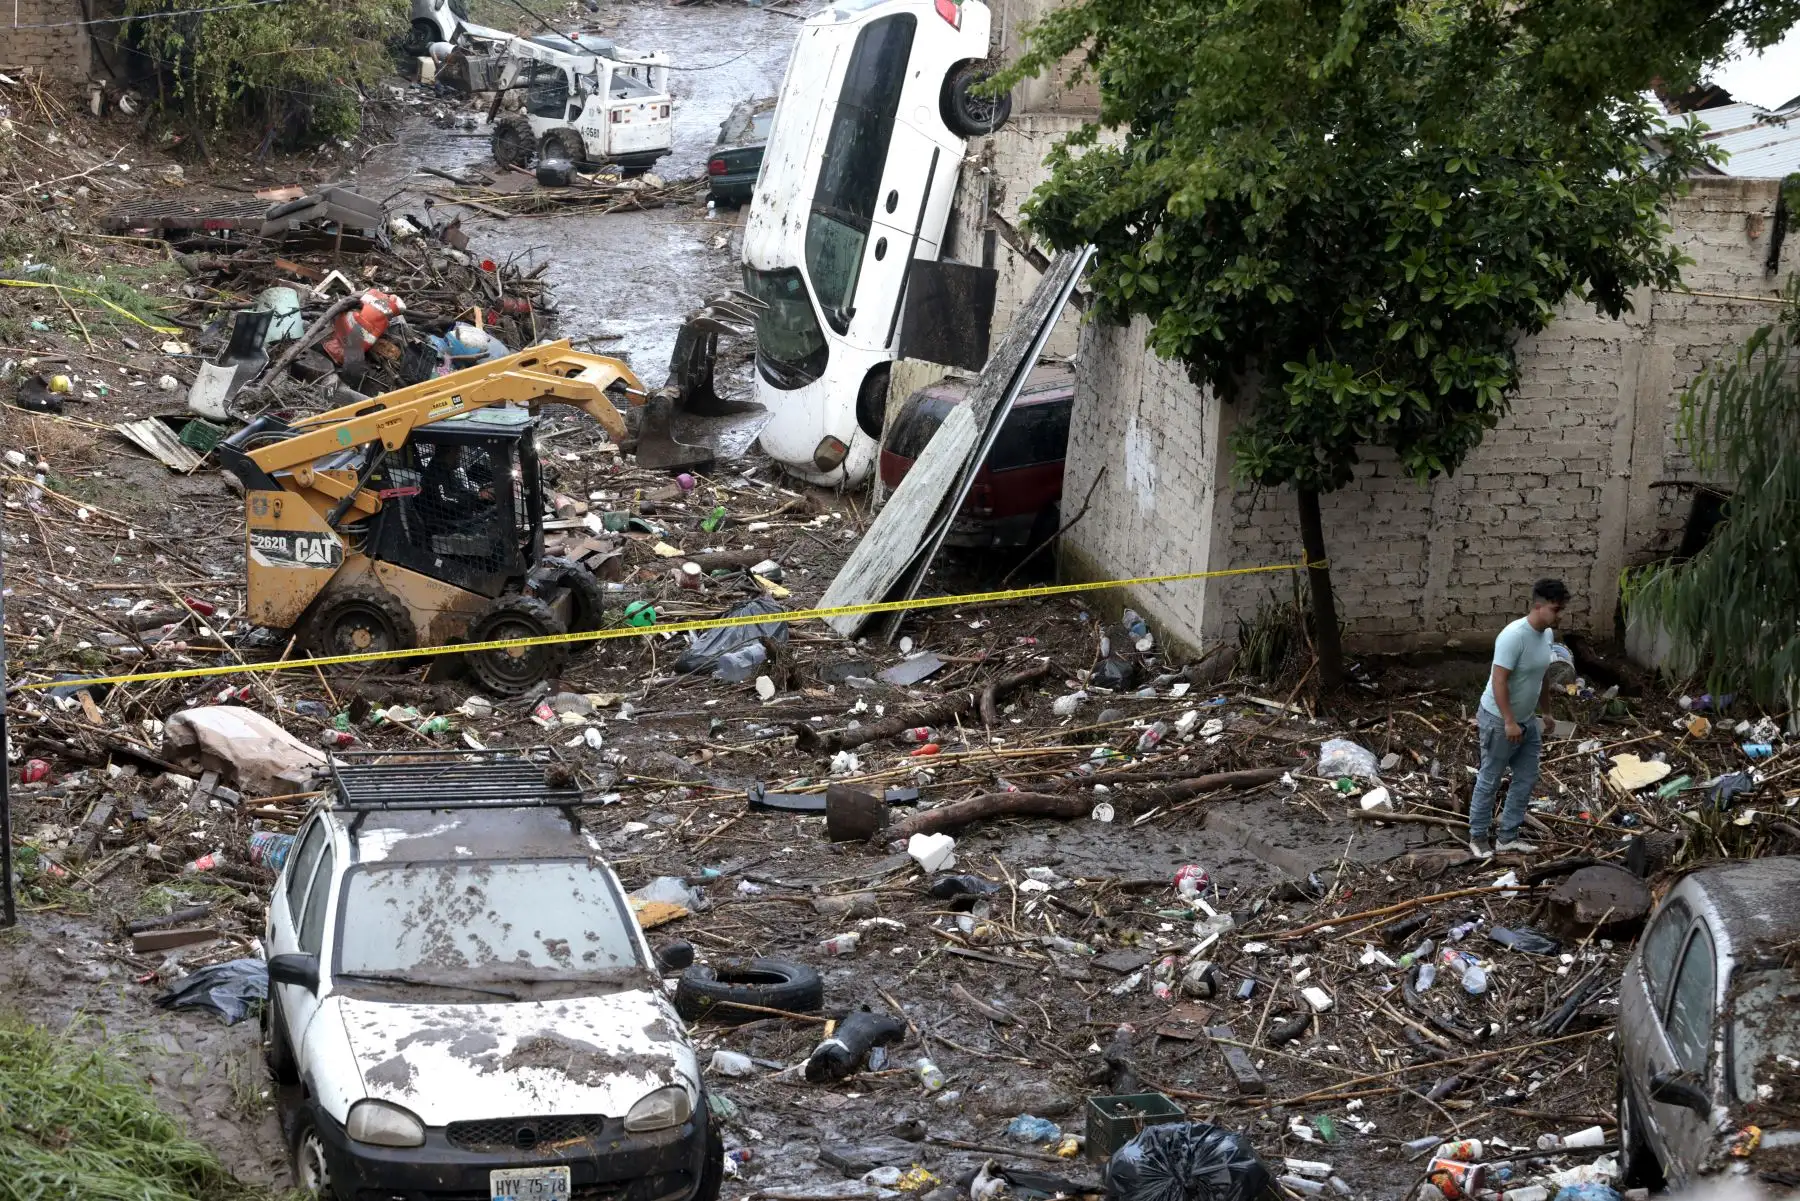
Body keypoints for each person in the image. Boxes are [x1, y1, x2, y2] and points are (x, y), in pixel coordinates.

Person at [1468, 578, 1569, 857]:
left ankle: (1507, 837)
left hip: (1527, 720)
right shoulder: (1513, 636)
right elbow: (1499, 681)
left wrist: (1546, 712)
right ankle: (1477, 837)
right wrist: (1509, 721)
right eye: (1555, 609)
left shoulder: (1546, 635)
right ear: (1538, 606)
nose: (1560, 615)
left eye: (1561, 609)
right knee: (1490, 777)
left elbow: (1542, 675)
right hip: (1499, 720)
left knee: (1526, 776)